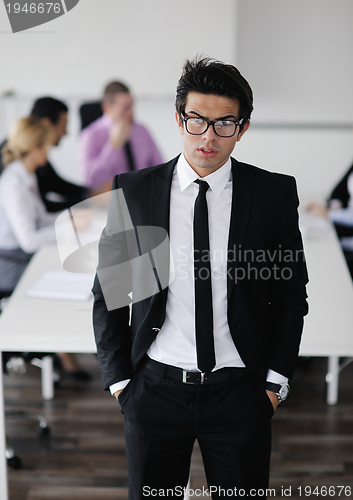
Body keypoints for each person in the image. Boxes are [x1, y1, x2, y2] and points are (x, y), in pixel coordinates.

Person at [92, 58, 309, 499]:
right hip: (155, 389)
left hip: (240, 393)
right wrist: (120, 384)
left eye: (224, 123)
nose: (208, 136)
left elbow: (290, 297)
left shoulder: (273, 194)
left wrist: (274, 385)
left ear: (242, 128)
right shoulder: (135, 191)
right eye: (197, 120)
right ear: (179, 119)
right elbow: (109, 293)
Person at [0, 116, 90, 381]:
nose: (49, 152)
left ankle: (65, 348)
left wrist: (70, 218)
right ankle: (61, 347)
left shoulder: (25, 176)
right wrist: (67, 228)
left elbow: (40, 219)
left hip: (23, 254)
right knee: (64, 273)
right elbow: (29, 239)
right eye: (47, 146)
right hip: (10, 262)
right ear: (36, 147)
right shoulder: (13, 183)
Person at [0, 97, 90, 213]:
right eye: (63, 125)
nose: (66, 132)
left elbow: (59, 186)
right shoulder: (13, 171)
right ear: (46, 125)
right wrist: (87, 203)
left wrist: (91, 194)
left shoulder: (32, 163)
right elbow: (43, 210)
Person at [79, 81, 163, 192]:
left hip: (143, 196)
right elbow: (92, 180)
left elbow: (160, 167)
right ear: (107, 108)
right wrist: (114, 145)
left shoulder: (142, 130)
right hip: (110, 201)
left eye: (132, 106)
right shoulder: (90, 135)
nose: (132, 112)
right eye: (126, 108)